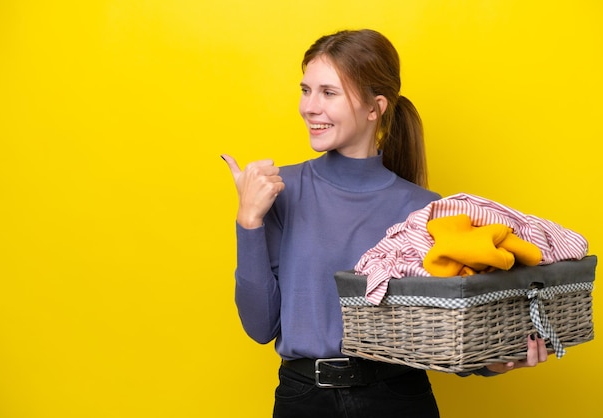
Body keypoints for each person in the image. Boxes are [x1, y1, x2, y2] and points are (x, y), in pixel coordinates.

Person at [222, 29, 547, 418]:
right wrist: (249, 221)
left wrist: (492, 363)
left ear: (375, 107)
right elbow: (260, 326)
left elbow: (443, 325)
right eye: (306, 90)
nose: (309, 106)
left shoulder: (426, 210)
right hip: (304, 400)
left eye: (328, 93)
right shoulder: (281, 190)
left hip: (397, 398)